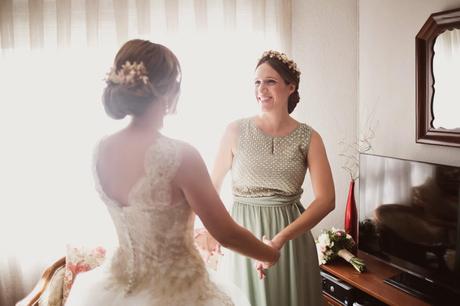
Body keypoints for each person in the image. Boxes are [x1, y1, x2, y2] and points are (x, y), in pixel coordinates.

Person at [65, 39, 279, 306]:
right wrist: (269, 253)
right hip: (179, 294)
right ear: (167, 90)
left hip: (116, 291)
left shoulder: (100, 150)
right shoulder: (179, 156)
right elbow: (226, 233)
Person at [209, 50, 335, 306]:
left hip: (291, 240)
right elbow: (211, 188)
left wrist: (281, 239)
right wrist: (216, 232)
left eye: (270, 81)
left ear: (291, 87)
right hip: (242, 238)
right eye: (257, 82)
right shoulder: (235, 131)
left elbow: (326, 200)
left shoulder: (309, 138)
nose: (261, 89)